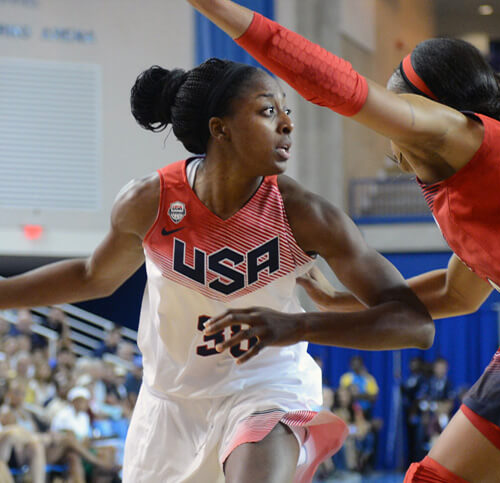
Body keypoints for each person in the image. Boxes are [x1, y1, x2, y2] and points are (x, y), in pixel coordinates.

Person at [188, 1, 500, 482]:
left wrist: (217, 8)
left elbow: (336, 86)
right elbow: (456, 294)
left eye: (399, 106)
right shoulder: (498, 186)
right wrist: (341, 300)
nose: (391, 123)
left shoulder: (456, 132)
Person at [0, 54, 432, 481]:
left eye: (287, 111)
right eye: (268, 111)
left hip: (265, 389)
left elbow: (414, 324)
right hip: (169, 404)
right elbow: (92, 276)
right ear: (220, 129)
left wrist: (298, 326)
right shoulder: (150, 201)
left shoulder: (305, 214)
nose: (287, 124)